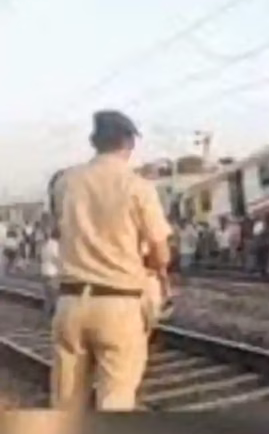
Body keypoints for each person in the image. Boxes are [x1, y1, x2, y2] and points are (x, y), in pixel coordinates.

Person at [50, 110, 173, 411]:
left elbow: (59, 230)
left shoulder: (65, 182)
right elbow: (160, 253)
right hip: (119, 304)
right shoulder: (138, 187)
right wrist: (157, 273)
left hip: (70, 302)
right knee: (115, 402)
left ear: (95, 141)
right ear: (128, 142)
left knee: (66, 404)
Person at [40, 227, 61, 318]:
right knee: (55, 299)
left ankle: (44, 318)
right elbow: (58, 259)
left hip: (44, 271)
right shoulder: (56, 246)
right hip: (53, 273)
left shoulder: (46, 244)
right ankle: (56, 319)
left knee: (48, 299)